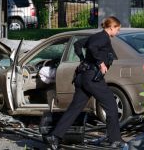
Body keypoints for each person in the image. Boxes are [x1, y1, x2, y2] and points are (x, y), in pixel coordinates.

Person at [46, 16, 125, 150]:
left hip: (82, 77)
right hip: (92, 78)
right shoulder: (103, 37)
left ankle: (55, 136)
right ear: (111, 27)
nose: (118, 32)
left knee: (74, 109)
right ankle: (115, 140)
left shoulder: (95, 36)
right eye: (117, 29)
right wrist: (100, 63)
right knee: (111, 107)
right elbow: (93, 47)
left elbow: (78, 45)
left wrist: (83, 60)